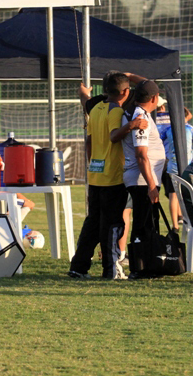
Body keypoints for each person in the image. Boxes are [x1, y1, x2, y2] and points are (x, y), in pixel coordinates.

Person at [69, 72, 138, 280]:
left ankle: (78, 267)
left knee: (92, 223)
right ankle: (111, 269)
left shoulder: (95, 108)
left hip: (96, 174)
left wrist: (83, 93)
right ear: (125, 92)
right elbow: (114, 136)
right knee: (113, 224)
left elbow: (89, 141)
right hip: (112, 176)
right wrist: (132, 125)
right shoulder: (115, 110)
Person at [122, 79, 167, 279]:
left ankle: (147, 265)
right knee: (144, 223)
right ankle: (140, 268)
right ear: (154, 98)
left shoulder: (140, 114)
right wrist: (151, 185)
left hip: (144, 179)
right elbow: (141, 154)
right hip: (142, 180)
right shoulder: (140, 117)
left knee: (148, 222)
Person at [160, 108, 193, 229]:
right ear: (186, 116)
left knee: (173, 196)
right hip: (186, 166)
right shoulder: (189, 128)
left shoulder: (168, 129)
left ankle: (175, 225)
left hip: (172, 166)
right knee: (189, 194)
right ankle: (189, 220)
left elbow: (160, 139)